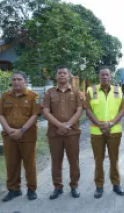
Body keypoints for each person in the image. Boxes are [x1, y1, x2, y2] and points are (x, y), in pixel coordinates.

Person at [42, 65, 84, 199]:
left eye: (64, 73)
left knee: (74, 161)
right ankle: (57, 187)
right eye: (59, 73)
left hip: (72, 132)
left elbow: (79, 110)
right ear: (56, 76)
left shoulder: (77, 92)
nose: (61, 75)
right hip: (55, 133)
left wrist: (68, 125)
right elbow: (45, 111)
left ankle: (74, 186)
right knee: (56, 161)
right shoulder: (49, 92)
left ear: (69, 76)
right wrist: (60, 125)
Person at [0, 71, 41, 202]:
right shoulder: (5, 96)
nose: (16, 82)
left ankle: (31, 189)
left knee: (30, 164)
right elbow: (0, 115)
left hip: (27, 135)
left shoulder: (34, 96)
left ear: (25, 81)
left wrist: (22, 130)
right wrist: (9, 130)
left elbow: (35, 115)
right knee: (11, 163)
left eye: (19, 79)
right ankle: (13, 190)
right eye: (14, 79)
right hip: (9, 136)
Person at [85, 67, 124, 198]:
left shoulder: (118, 90)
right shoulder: (91, 90)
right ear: (99, 76)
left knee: (114, 159)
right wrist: (100, 125)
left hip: (114, 131)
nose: (104, 77)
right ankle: (99, 186)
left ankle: (116, 184)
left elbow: (122, 110)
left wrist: (111, 123)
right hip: (97, 132)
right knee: (99, 160)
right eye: (102, 75)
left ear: (110, 76)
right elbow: (88, 110)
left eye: (107, 75)